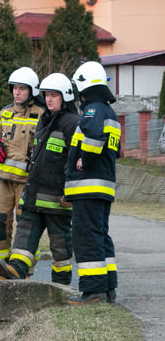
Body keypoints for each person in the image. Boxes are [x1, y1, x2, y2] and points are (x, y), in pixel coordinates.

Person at [0, 73, 79, 284]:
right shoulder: (44, 121)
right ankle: (17, 269)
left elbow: (75, 161)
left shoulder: (72, 123)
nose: (49, 99)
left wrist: (70, 191)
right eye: (47, 95)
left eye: (54, 95)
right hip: (33, 194)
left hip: (57, 199)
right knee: (24, 234)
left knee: (60, 245)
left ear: (65, 96)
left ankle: (61, 283)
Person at [65, 61, 121, 305]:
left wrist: (83, 161)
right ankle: (107, 288)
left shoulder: (93, 110)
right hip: (103, 185)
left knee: (86, 236)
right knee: (100, 234)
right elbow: (114, 151)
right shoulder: (109, 111)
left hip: (88, 185)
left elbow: (94, 138)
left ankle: (92, 292)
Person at [0, 67, 45, 277]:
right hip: (2, 181)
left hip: (27, 182)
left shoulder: (41, 115)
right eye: (15, 88)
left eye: (22, 89)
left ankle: (24, 269)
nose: (17, 93)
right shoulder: (5, 113)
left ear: (32, 91)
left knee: (25, 228)